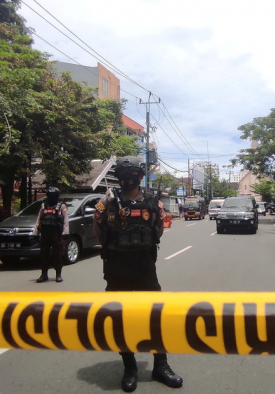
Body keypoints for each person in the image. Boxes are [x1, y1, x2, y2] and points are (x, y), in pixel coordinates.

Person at [93, 155, 183, 393]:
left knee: (155, 317)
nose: (128, 179)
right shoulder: (108, 201)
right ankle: (130, 367)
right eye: (124, 176)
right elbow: (99, 231)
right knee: (121, 319)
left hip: (144, 267)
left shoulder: (154, 203)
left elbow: (158, 231)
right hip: (116, 267)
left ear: (140, 177)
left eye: (132, 175)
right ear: (119, 177)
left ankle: (161, 366)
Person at [32, 186, 69, 283]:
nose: (51, 197)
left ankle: (58, 275)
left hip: (56, 234)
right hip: (45, 233)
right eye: (49, 195)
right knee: (44, 254)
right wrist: (35, 233)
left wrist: (65, 233)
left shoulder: (61, 206)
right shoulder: (44, 206)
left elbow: (66, 220)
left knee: (57, 254)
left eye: (53, 195)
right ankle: (44, 274)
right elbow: (38, 219)